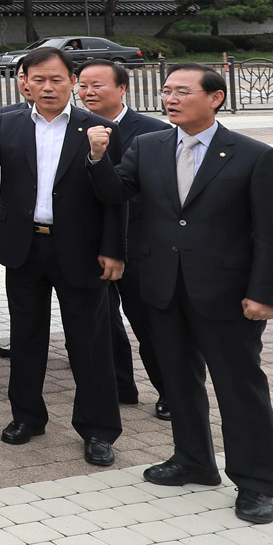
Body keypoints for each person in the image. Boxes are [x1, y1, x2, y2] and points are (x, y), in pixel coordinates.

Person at [118, 64, 273, 525]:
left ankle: (256, 482)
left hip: (227, 293)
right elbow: (113, 192)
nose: (170, 99)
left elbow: (272, 233)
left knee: (239, 387)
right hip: (164, 286)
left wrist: (264, 294)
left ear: (215, 98)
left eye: (182, 91)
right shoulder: (147, 145)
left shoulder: (254, 155)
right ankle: (193, 460)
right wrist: (95, 158)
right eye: (166, 91)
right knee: (178, 380)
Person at [0, 46, 126, 465]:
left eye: (56, 79)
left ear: (72, 82)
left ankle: (98, 430)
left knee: (89, 342)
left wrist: (113, 249)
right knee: (26, 336)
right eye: (38, 79)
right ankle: (27, 417)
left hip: (81, 249)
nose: (48, 87)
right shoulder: (10, 122)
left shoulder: (99, 128)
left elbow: (116, 197)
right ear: (25, 82)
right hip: (24, 246)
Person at [74, 57, 172, 416]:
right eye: (83, 85)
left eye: (97, 85)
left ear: (122, 88)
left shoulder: (152, 131)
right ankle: (119, 385)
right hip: (89, 242)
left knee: (148, 322)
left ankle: (170, 391)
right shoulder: (73, 127)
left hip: (137, 244)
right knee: (102, 323)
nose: (88, 92)